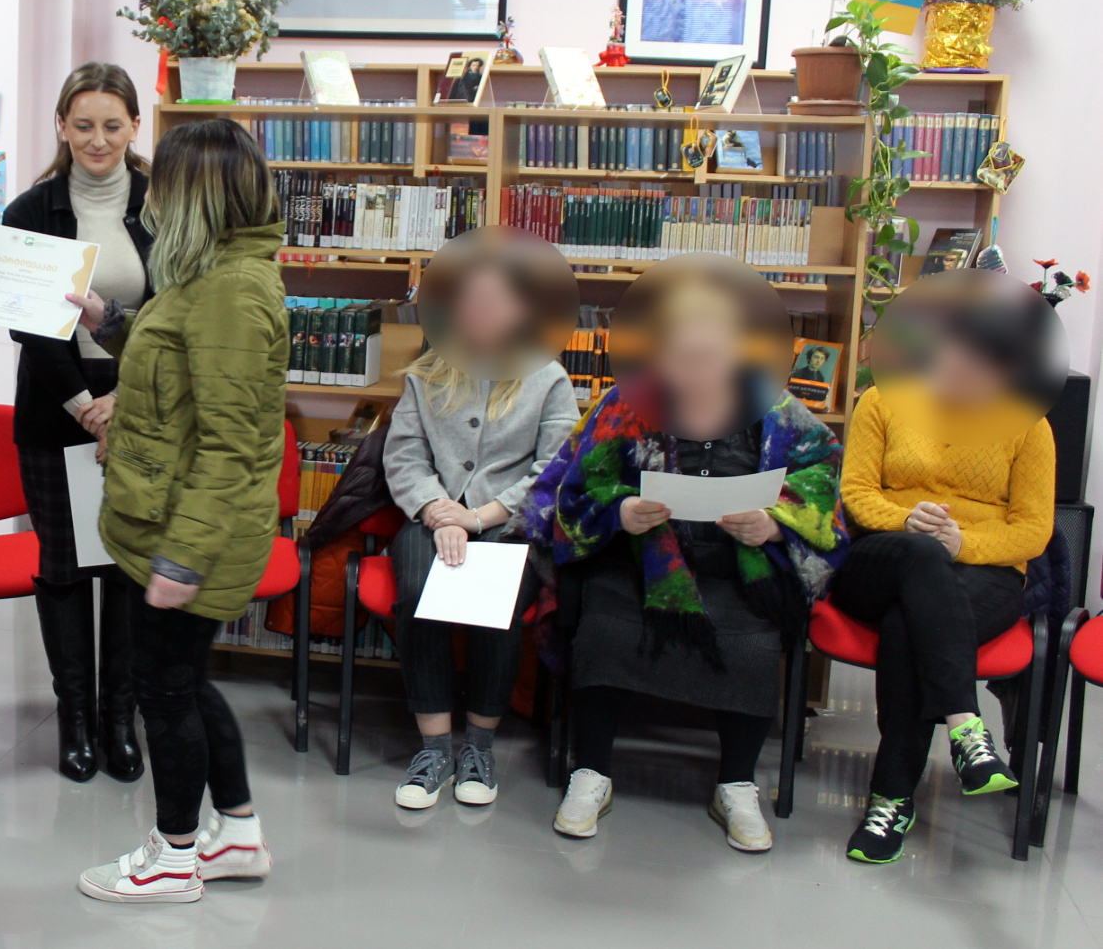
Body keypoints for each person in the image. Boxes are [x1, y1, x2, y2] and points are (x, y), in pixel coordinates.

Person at [525, 273, 848, 853]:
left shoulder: (775, 408)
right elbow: (572, 491)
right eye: (681, 357)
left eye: (709, 356)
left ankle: (736, 783)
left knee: (751, 645)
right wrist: (620, 512)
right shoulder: (626, 403)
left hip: (736, 567)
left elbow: (823, 477)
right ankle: (591, 771)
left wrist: (775, 523)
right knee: (604, 629)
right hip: (637, 564)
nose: (695, 371)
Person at [70, 118, 287, 903]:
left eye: (160, 184)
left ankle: (172, 857)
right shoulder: (215, 273)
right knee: (185, 682)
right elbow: (181, 366)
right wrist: (109, 322)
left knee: (163, 692)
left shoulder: (230, 290)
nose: (148, 198)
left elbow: (230, 446)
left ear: (193, 196)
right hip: (172, 518)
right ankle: (236, 836)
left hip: (188, 530)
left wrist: (183, 556)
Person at [833, 309, 1054, 864]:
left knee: (908, 625)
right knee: (920, 555)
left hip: (984, 572)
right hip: (884, 556)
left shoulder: (1029, 424)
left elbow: (1034, 530)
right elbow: (856, 495)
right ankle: (965, 726)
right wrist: (906, 520)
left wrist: (963, 544)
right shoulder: (882, 402)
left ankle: (890, 800)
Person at [2, 63, 152, 783]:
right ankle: (74, 721)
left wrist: (130, 398)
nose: (98, 140)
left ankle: (118, 719)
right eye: (83, 125)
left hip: (143, 403)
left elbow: (175, 312)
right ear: (61, 126)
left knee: (126, 568)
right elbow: (29, 327)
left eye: (112, 125)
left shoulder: (163, 204)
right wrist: (84, 408)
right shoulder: (29, 211)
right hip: (54, 405)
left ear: (134, 127)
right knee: (63, 570)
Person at [383, 262, 579, 810]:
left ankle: (479, 748)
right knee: (420, 588)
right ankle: (434, 749)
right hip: (433, 514)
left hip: (508, 521)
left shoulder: (548, 377)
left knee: (494, 596)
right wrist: (438, 510)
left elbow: (555, 468)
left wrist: (479, 517)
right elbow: (403, 455)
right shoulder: (428, 373)